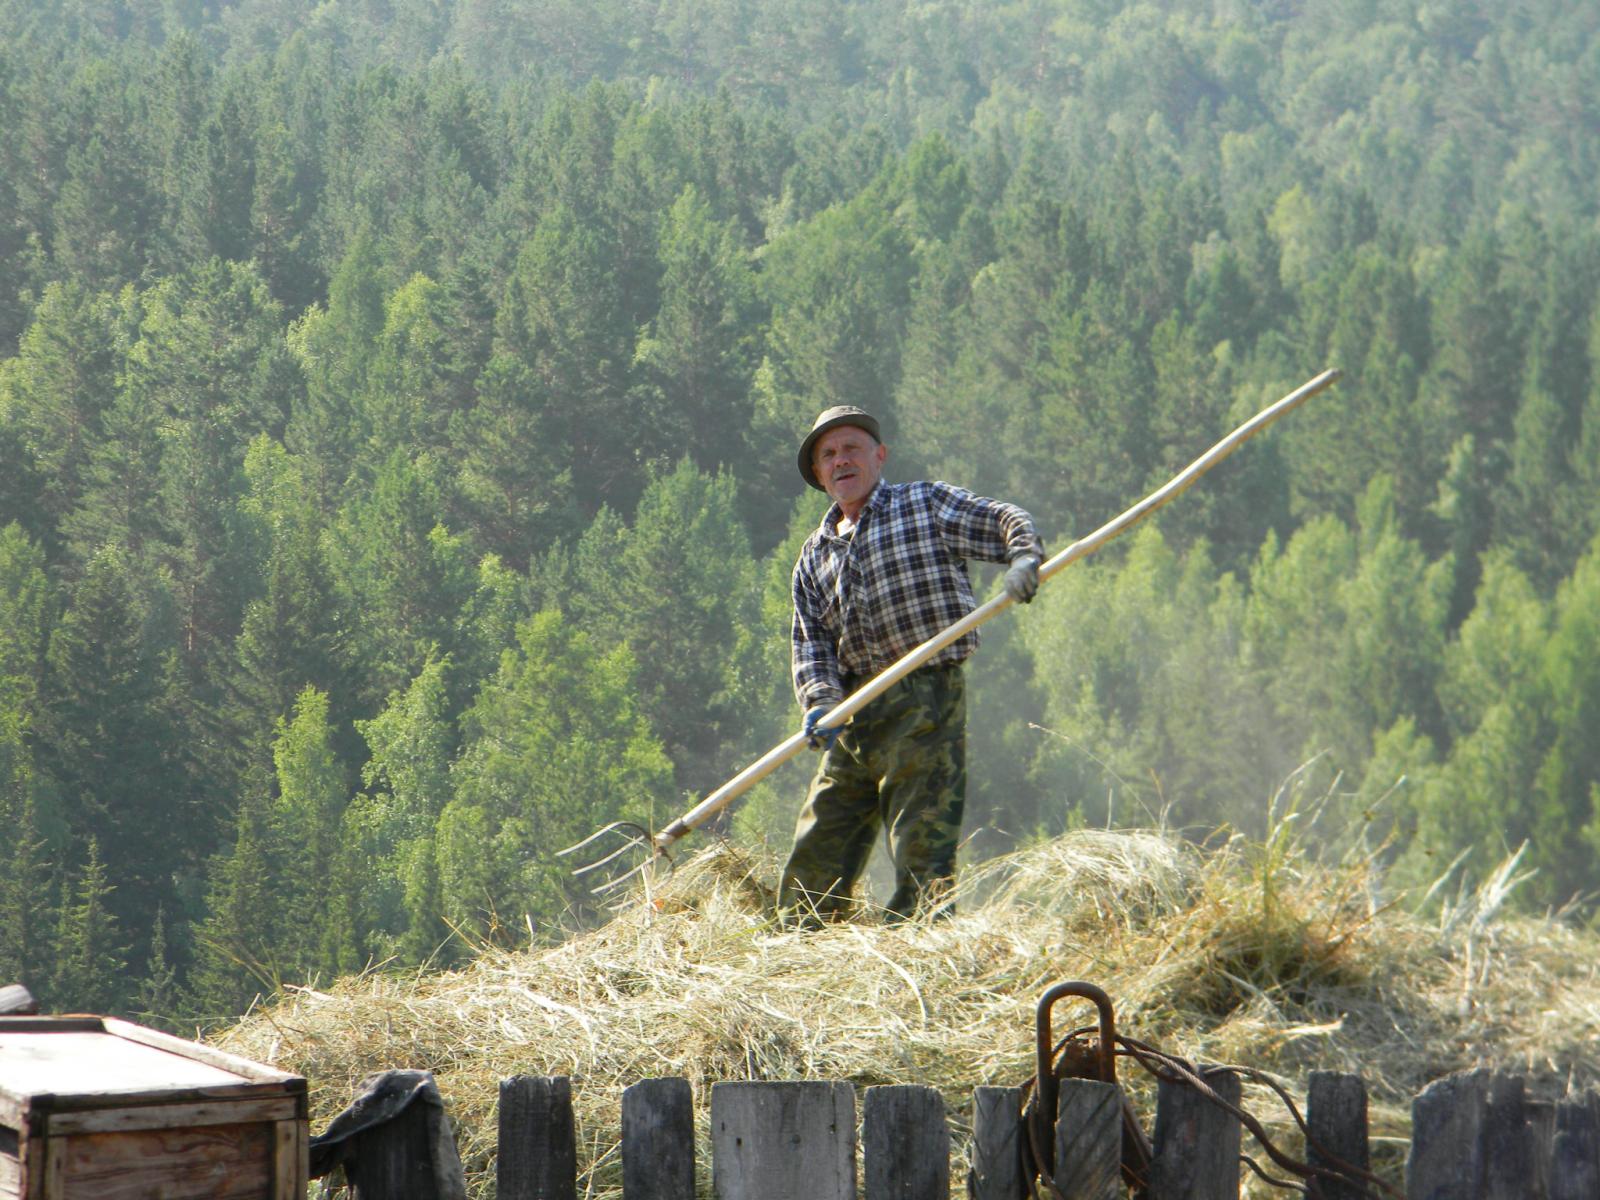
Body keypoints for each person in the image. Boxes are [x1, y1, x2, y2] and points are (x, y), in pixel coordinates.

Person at [779, 405, 1044, 924]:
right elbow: (811, 645)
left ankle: (916, 950)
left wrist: (1023, 558)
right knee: (819, 847)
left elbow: (1003, 520)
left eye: (852, 448)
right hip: (854, 714)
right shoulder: (814, 558)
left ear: (879, 456)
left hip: (926, 701)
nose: (841, 461)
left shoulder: (924, 504)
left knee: (921, 847)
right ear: (817, 474)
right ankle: (799, 945)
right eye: (828, 455)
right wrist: (820, 703)